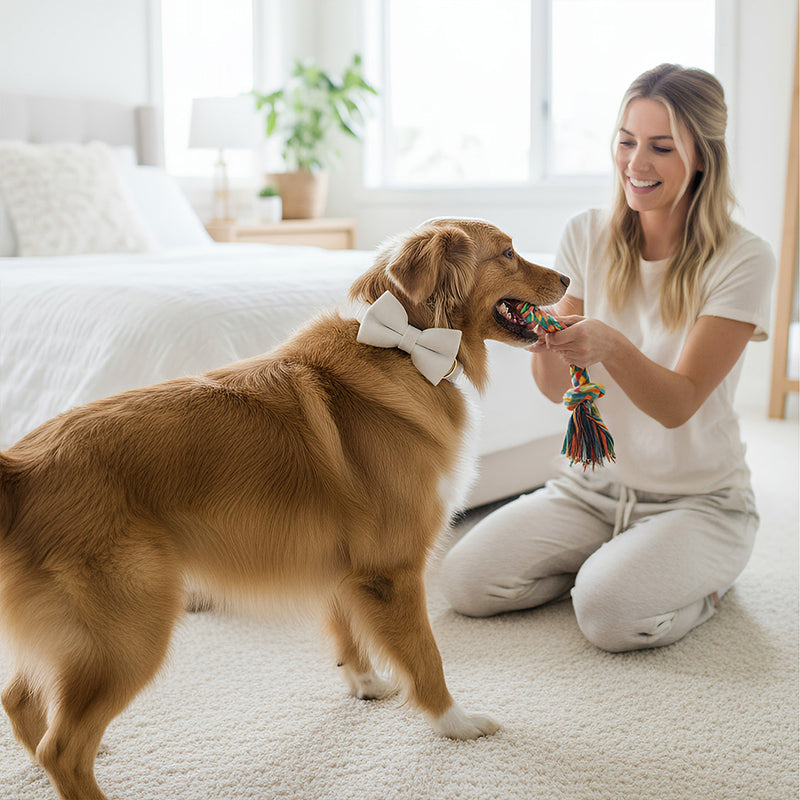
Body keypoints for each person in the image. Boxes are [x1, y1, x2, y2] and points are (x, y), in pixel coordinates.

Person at [439, 63, 776, 652]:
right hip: (589, 491)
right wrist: (550, 340)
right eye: (626, 142)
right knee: (465, 583)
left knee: (608, 617)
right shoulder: (587, 234)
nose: (635, 164)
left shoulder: (742, 258)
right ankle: (614, 563)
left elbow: (678, 405)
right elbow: (554, 390)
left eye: (660, 147)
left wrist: (611, 346)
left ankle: (702, 584)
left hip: (697, 503)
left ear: (703, 156)